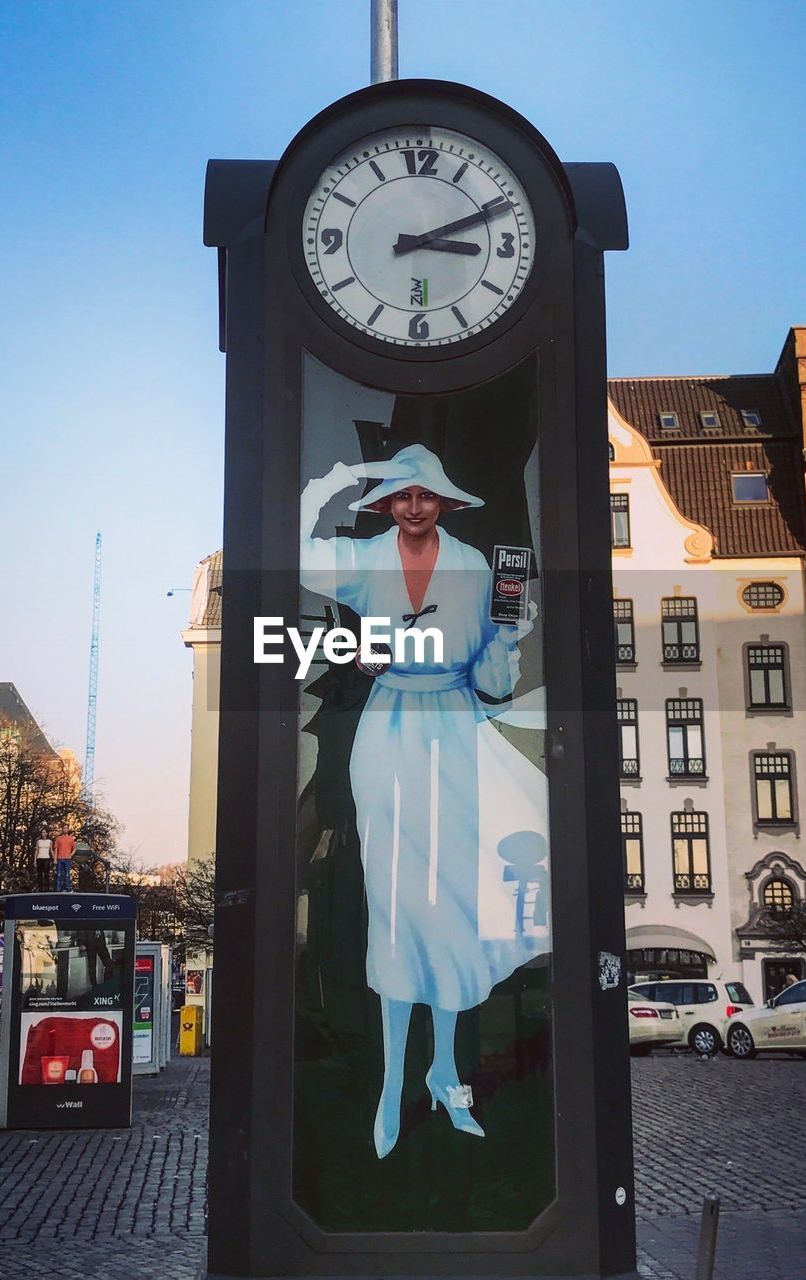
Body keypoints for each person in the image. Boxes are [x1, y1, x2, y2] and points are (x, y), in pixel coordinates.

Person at [300, 443, 549, 1159]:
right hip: (388, 733)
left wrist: (506, 636)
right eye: (402, 495)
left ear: (443, 502)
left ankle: (442, 1070)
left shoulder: (476, 569)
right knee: (395, 901)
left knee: (448, 902)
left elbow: (497, 685)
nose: (413, 506)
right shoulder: (365, 561)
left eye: (425, 495)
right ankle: (392, 1083)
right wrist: (335, 479)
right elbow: (293, 555)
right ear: (388, 505)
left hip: (454, 733)